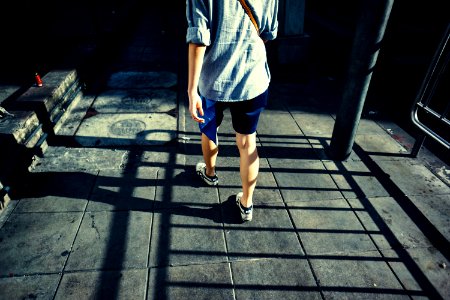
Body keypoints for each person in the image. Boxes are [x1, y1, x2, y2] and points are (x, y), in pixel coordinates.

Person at [186, 0, 278, 222]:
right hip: (252, 78)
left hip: (213, 80)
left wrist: (191, 90)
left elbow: (199, 39)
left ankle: (210, 173)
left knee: (209, 129)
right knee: (248, 143)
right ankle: (246, 204)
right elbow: (268, 32)